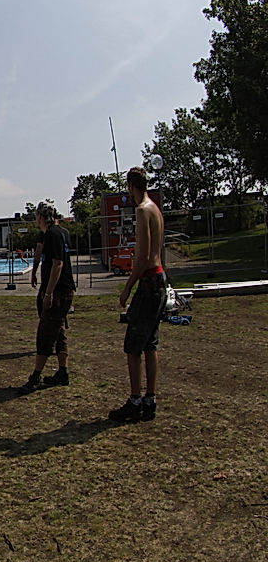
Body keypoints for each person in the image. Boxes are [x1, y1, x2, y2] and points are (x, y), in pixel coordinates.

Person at [110, 167, 167, 423]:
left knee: (133, 346)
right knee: (150, 344)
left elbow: (143, 257)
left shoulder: (142, 210)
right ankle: (150, 399)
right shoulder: (155, 209)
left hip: (148, 282)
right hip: (160, 279)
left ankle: (135, 401)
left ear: (132, 186)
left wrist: (127, 288)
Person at [19, 202, 75, 393]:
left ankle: (36, 376)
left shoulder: (51, 234)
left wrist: (49, 293)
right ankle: (63, 371)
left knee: (44, 334)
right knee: (58, 331)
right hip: (63, 290)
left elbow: (58, 264)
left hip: (58, 291)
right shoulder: (62, 232)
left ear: (40, 217)